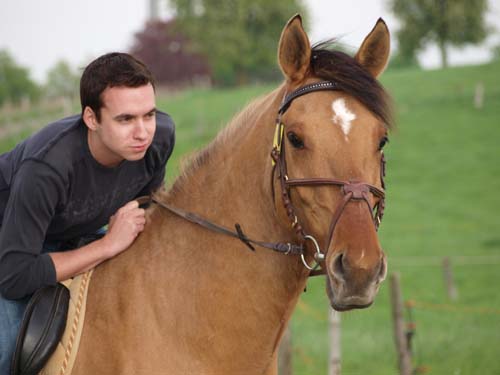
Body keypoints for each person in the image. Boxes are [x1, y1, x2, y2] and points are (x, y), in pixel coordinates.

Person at [0, 52, 175, 374]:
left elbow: (143, 205)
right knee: (7, 353)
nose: (142, 133)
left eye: (148, 115)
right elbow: (15, 276)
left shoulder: (160, 137)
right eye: (125, 119)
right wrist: (107, 246)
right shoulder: (46, 169)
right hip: (12, 246)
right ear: (91, 119)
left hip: (82, 231)